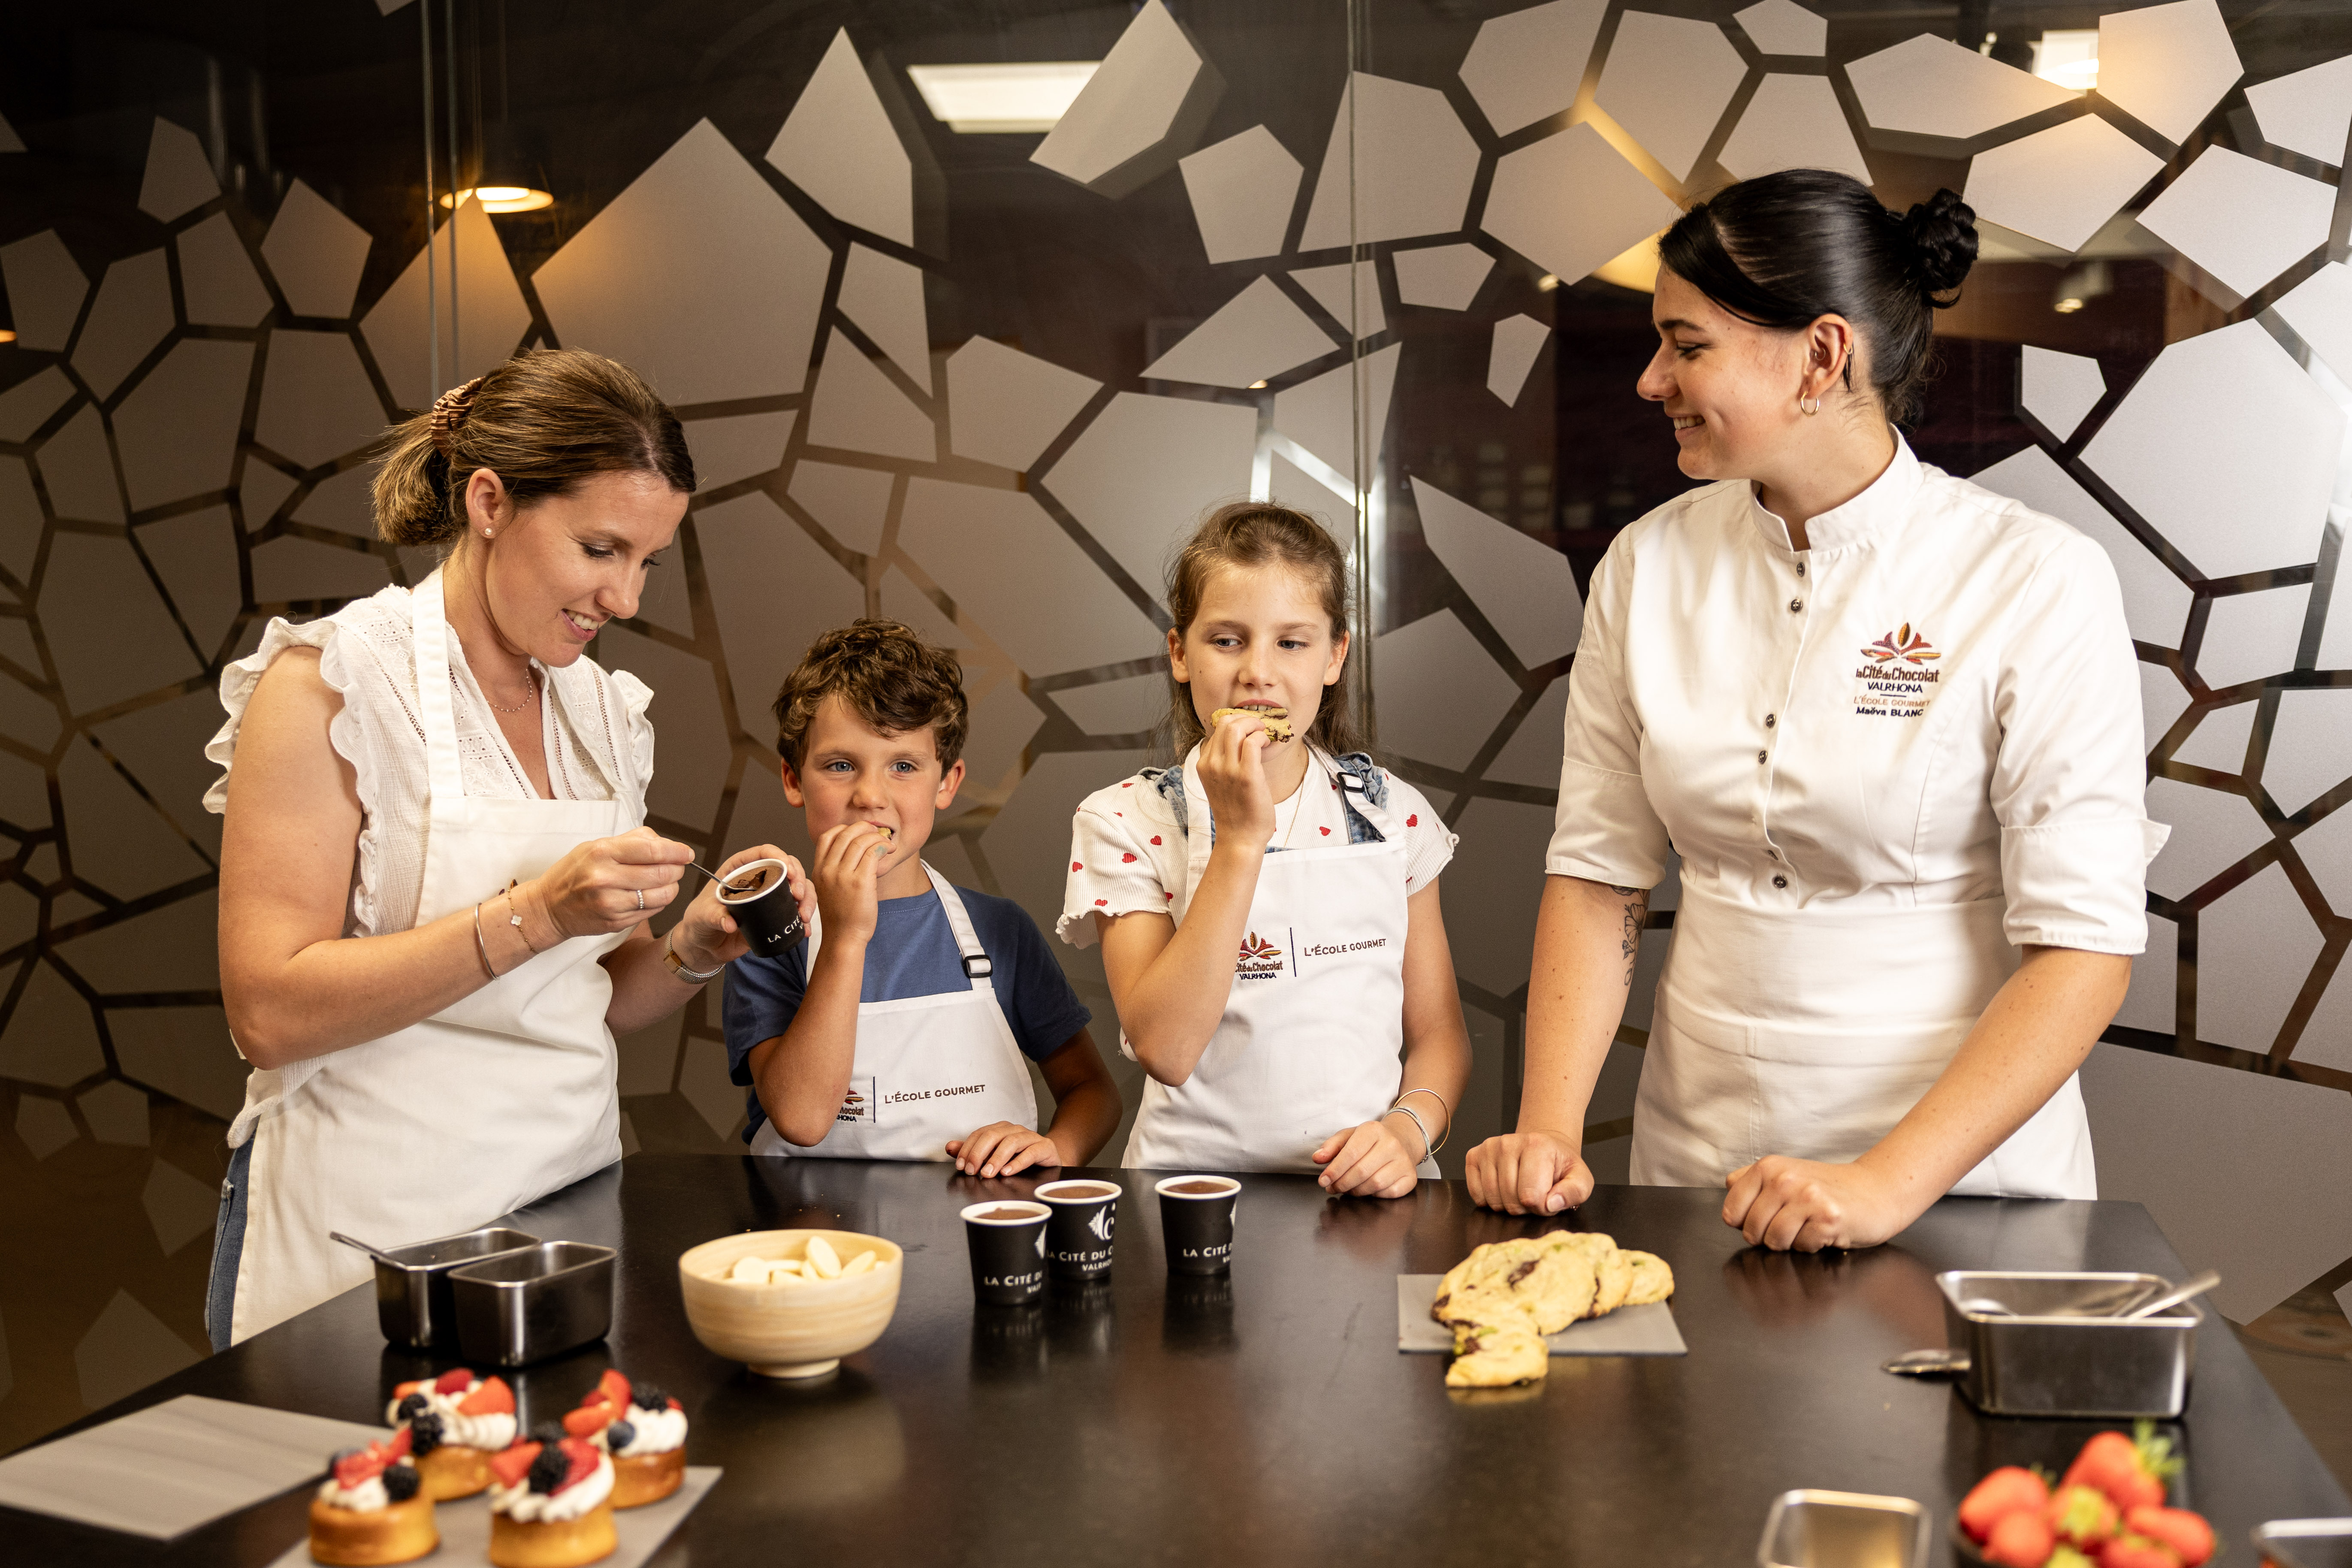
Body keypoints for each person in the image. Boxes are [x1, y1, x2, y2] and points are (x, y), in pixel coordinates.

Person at [1466, 171, 2165, 1250]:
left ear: (1822, 357)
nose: (1652, 379)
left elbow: (2082, 947)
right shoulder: (1645, 567)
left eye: (1686, 345)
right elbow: (1601, 876)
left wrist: (1886, 1183)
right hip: (1703, 1168)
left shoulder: (2034, 579)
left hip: (1959, 1186)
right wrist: (1550, 1131)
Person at [207, 349, 810, 1345]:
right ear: (489, 501)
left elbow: (581, 999)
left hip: (563, 1217)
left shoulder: (605, 716)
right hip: (367, 1240)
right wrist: (536, 913)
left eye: (648, 561)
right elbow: (268, 1013)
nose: (625, 598)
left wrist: (694, 948)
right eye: (600, 549)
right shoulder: (332, 686)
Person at [1060, 503, 1472, 1195]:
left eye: (1291, 643)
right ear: (1179, 655)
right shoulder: (1123, 819)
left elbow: (1439, 1036)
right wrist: (1240, 840)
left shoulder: (1392, 813)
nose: (1258, 673)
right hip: (1185, 1198)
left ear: (1334, 656)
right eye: (1226, 640)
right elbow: (1166, 1048)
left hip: (1368, 1198)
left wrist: (1405, 1132)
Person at [729, 621, 1121, 1172]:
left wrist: (1057, 1147)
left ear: (947, 783)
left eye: (904, 766)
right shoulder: (769, 933)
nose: (870, 797)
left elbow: (1093, 1092)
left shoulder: (998, 930)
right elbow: (802, 1117)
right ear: (794, 780)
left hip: (978, 1239)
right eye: (840, 766)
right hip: (818, 1245)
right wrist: (844, 935)